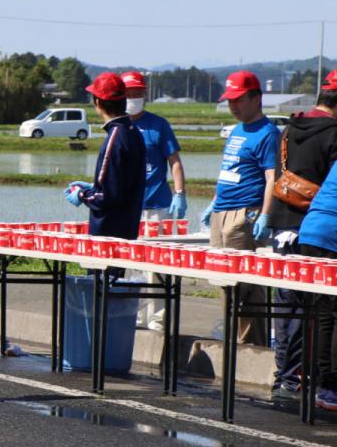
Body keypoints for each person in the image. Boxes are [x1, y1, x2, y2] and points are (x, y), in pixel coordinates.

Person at [266, 69, 337, 400]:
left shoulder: (290, 127)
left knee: (287, 306)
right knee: (320, 310)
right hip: (316, 225)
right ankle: (306, 381)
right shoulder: (334, 133)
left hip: (283, 222)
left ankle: (285, 377)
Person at [200, 70, 279, 346]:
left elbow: (272, 177)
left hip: (245, 213)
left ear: (256, 98)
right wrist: (214, 202)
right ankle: (233, 339)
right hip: (221, 211)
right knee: (224, 281)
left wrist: (265, 214)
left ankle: (251, 346)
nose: (233, 106)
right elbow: (229, 170)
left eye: (239, 100)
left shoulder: (268, 133)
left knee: (245, 285)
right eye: (230, 100)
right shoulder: (236, 130)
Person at [122, 70, 187, 330]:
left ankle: (158, 320)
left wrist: (180, 193)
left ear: (145, 94)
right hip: (129, 208)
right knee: (132, 265)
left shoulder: (158, 125)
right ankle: (134, 317)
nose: (133, 97)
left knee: (157, 266)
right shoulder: (119, 126)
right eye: (128, 93)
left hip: (158, 206)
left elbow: (175, 162)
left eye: (137, 93)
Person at [64, 72, 146, 240]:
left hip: (107, 234)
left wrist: (82, 194)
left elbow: (105, 197)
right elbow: (122, 185)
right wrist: (94, 186)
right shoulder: (133, 131)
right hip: (128, 228)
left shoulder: (115, 137)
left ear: (98, 102)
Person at [296, 155, 337, 411]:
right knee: (333, 312)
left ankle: (323, 386)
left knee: (323, 313)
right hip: (331, 234)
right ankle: (332, 387)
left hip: (311, 231)